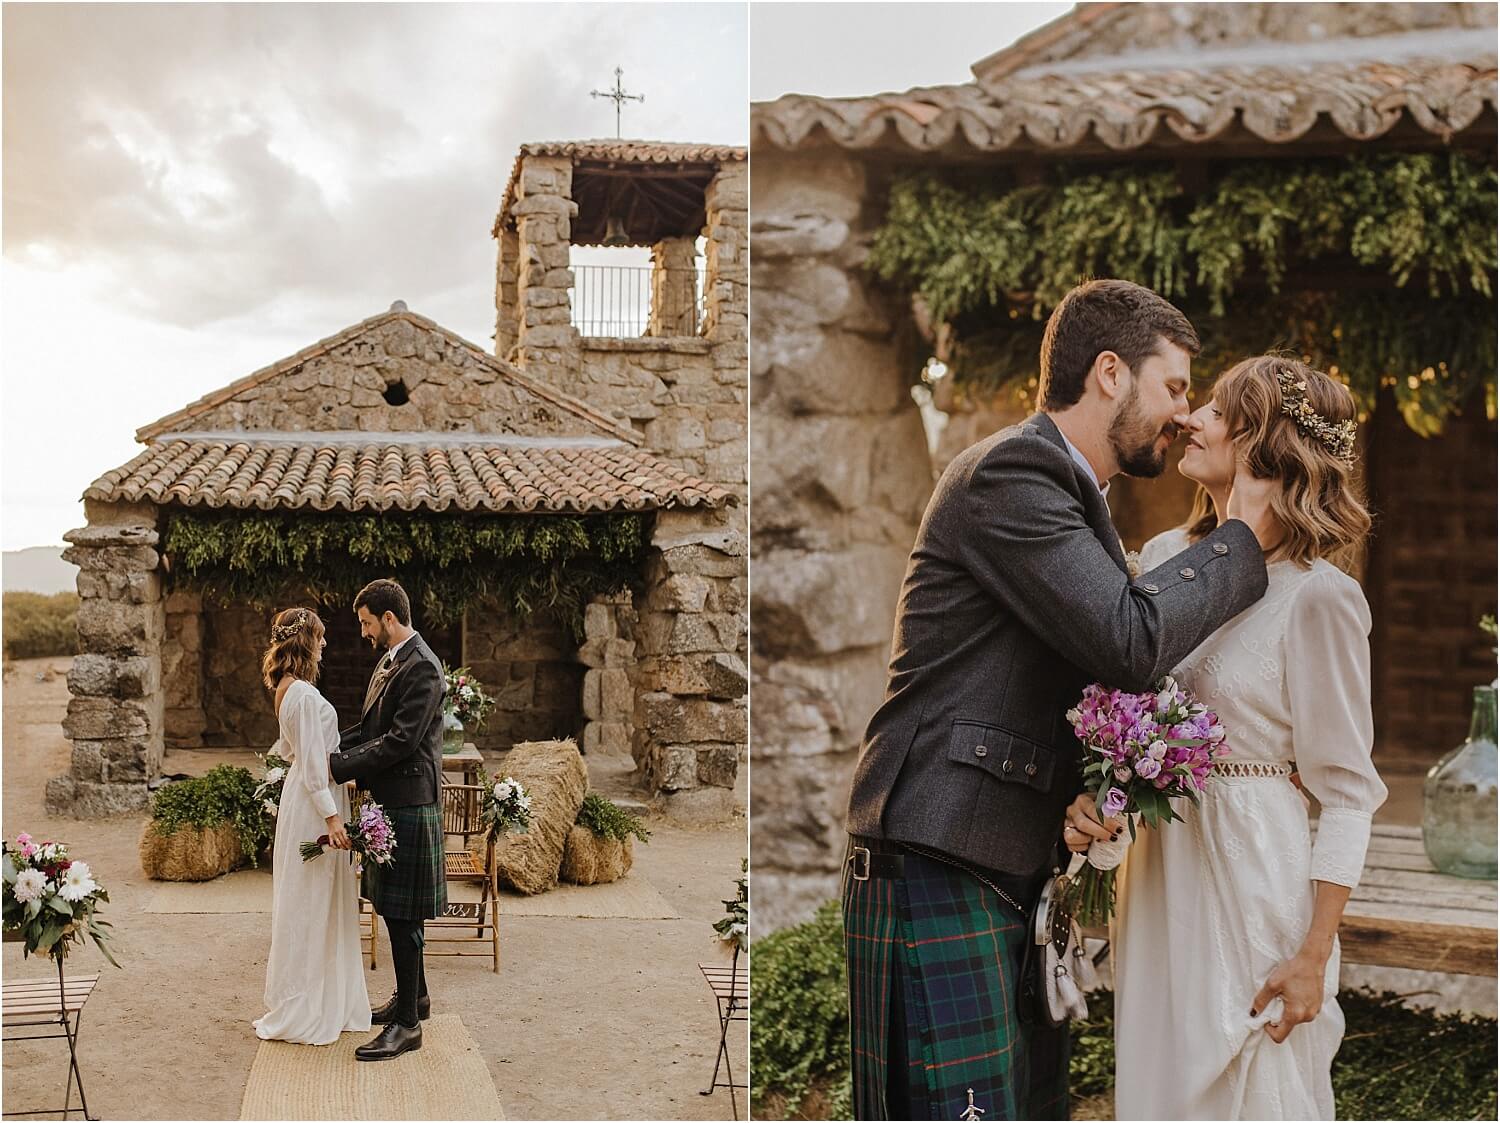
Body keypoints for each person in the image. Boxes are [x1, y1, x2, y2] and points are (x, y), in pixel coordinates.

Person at [841, 278, 1281, 1120]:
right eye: (1176, 386)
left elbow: (1080, 678)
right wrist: (1242, 539)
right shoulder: (1013, 472)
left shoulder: (1073, 501)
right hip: (939, 857)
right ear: (1110, 373)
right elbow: (1128, 637)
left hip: (1000, 866)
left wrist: (1085, 797)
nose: (1185, 416)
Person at [1108, 355, 1387, 1120]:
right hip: (1159, 866)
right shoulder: (1166, 558)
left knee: (1250, 1086)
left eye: (1217, 410)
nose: (1188, 418)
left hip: (1255, 868)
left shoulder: (1321, 598)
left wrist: (1313, 952)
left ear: (1265, 442)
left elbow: (1350, 793)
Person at [330, 578, 447, 1062]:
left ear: (389, 619)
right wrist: (329, 743)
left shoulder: (422, 668)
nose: (363, 633)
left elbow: (399, 742)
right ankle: (414, 997)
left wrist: (338, 766)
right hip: (391, 800)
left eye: (365, 622)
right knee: (392, 908)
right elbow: (373, 728)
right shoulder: (391, 661)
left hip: (410, 803)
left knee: (404, 916)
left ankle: (407, 1026)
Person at [253, 607, 371, 1045]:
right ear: (305, 641)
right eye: (320, 638)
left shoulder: (286, 689)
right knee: (312, 904)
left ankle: (326, 1000)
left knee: (314, 900)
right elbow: (309, 763)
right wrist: (333, 816)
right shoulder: (301, 694)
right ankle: (306, 1007)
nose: (325, 645)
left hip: (303, 798)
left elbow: (287, 751)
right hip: (313, 807)